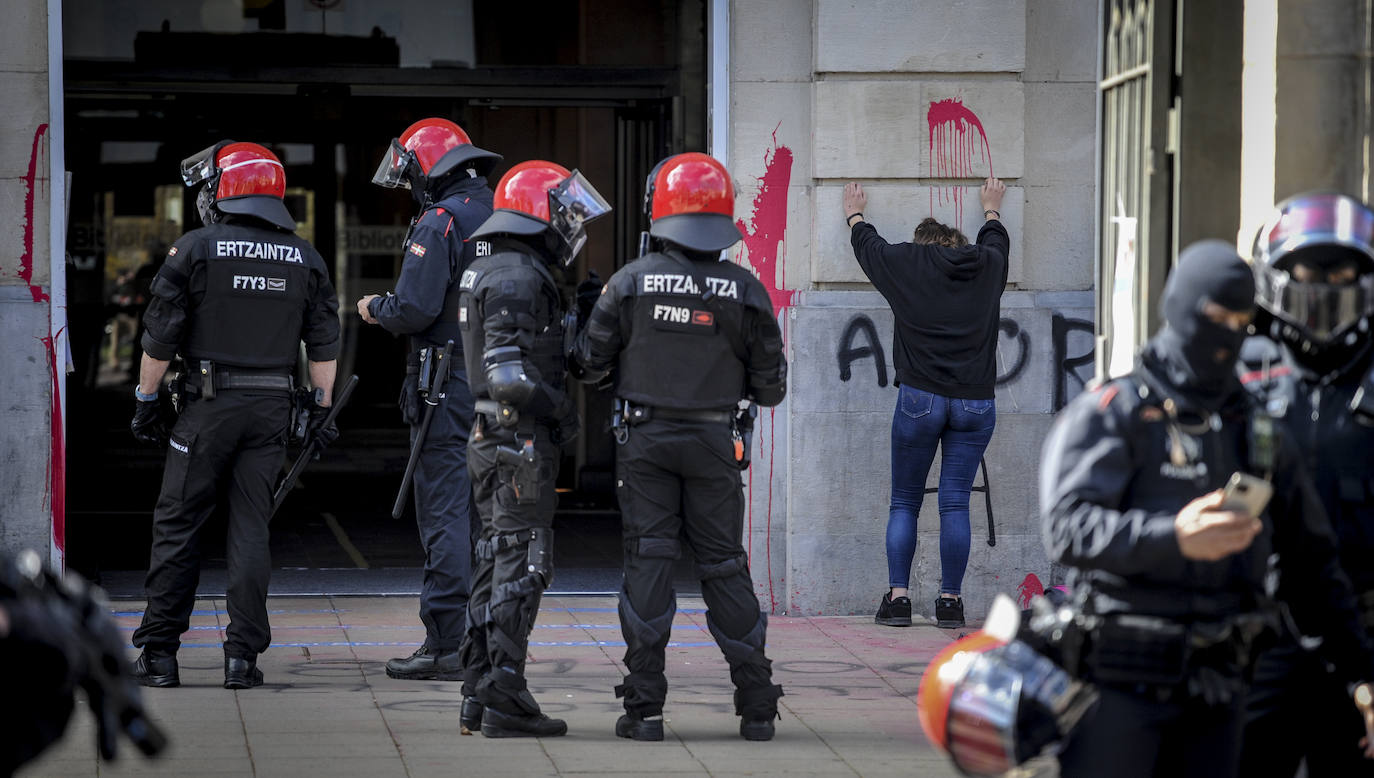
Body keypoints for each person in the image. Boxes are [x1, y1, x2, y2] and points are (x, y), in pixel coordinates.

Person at [1039, 240, 1374, 778]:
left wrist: (1360, 677)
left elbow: (1312, 567)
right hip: (1120, 685)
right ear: (1180, 310)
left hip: (1220, 690)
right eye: (1215, 320)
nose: (1226, 339)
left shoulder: (1258, 432)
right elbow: (1067, 528)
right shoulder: (1117, 412)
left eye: (1241, 324)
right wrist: (1172, 535)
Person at [571, 152, 789, 742]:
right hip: (715, 440)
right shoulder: (745, 290)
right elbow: (772, 389)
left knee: (649, 560)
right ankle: (758, 707)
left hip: (644, 441)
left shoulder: (629, 281)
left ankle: (644, 710)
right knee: (723, 565)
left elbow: (590, 366)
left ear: (659, 211)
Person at [129, 141, 341, 689]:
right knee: (251, 530)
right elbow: (323, 345)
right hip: (272, 410)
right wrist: (319, 410)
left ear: (222, 192)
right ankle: (242, 659)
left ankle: (159, 656)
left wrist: (146, 399)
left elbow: (160, 337)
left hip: (206, 407)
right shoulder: (305, 256)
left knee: (177, 525)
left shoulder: (196, 249)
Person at [455, 160, 609, 738]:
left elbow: (555, 359)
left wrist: (586, 315)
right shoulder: (519, 276)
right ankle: (505, 694)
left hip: (492, 438)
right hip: (518, 441)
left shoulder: (494, 268)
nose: (570, 228)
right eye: (564, 215)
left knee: (495, 559)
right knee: (524, 562)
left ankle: (478, 689)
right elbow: (509, 377)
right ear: (537, 216)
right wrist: (566, 416)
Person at [356, 118, 500, 681]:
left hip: (446, 385)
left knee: (445, 512)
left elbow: (414, 308)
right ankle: (492, 636)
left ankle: (444, 644)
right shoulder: (503, 212)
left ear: (428, 170)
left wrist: (375, 307)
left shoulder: (439, 222)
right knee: (492, 515)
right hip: (500, 382)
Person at [1238, 192, 1374, 776]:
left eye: (1341, 271)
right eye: (1306, 271)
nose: (1323, 286)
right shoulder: (1241, 365)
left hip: (1363, 634)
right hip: (1261, 630)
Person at [843, 177, 1009, 629]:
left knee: (905, 501)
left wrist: (855, 214)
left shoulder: (908, 266)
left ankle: (898, 600)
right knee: (955, 503)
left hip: (920, 400)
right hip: (974, 404)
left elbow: (870, 248)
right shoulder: (985, 269)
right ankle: (950, 602)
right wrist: (991, 208)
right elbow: (996, 244)